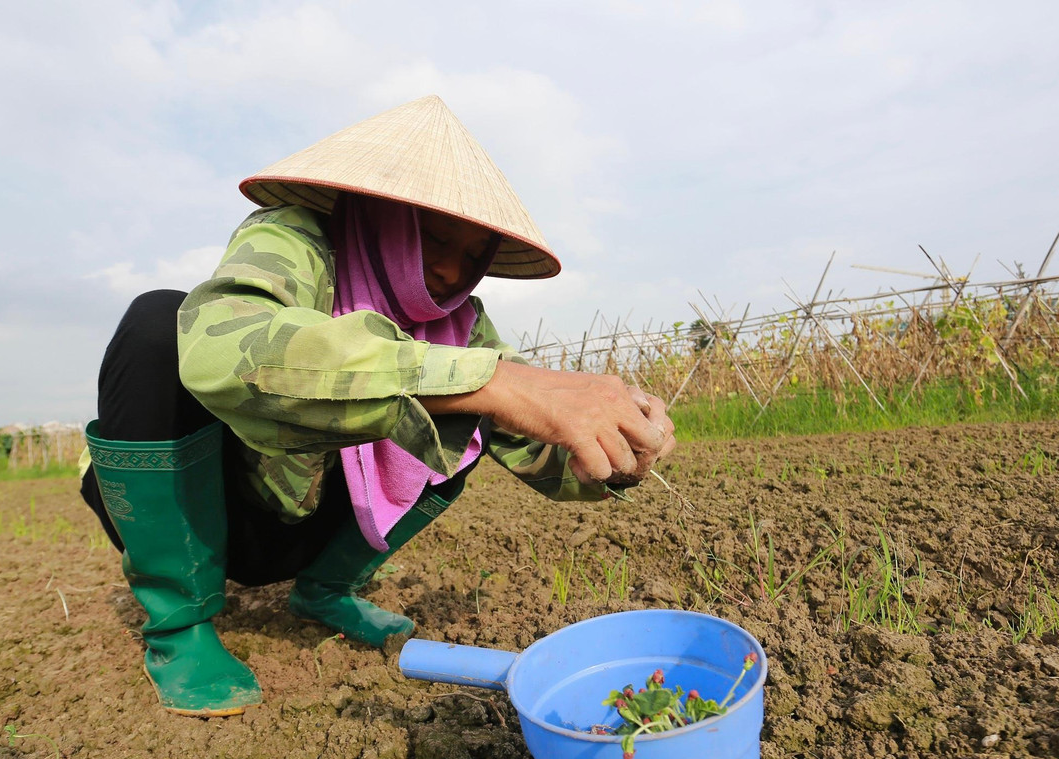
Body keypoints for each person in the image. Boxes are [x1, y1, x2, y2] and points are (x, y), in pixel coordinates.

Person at [79, 96, 676, 717]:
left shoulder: (460, 327)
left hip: (308, 528)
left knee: (465, 418)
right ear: (378, 216)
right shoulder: (296, 240)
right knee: (157, 323)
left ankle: (326, 590)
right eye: (434, 239)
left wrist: (619, 450)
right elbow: (220, 351)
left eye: (474, 255)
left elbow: (539, 449)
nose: (450, 270)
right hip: (214, 505)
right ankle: (178, 626)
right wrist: (490, 382)